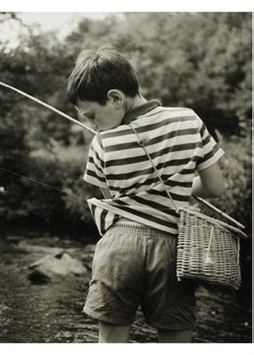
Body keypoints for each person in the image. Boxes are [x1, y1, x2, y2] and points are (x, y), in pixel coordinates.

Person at [67, 46, 226, 343]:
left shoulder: (102, 142)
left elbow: (112, 199)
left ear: (115, 98)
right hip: (173, 251)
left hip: (118, 247)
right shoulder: (188, 120)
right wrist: (180, 187)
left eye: (92, 116)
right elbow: (216, 188)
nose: (92, 125)